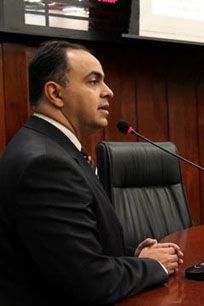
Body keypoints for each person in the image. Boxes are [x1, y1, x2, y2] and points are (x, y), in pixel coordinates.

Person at [0, 40, 184, 305]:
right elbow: (89, 282)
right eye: (93, 81)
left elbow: (73, 253)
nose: (108, 92)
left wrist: (133, 257)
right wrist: (153, 266)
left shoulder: (51, 148)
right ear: (55, 94)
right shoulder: (45, 164)